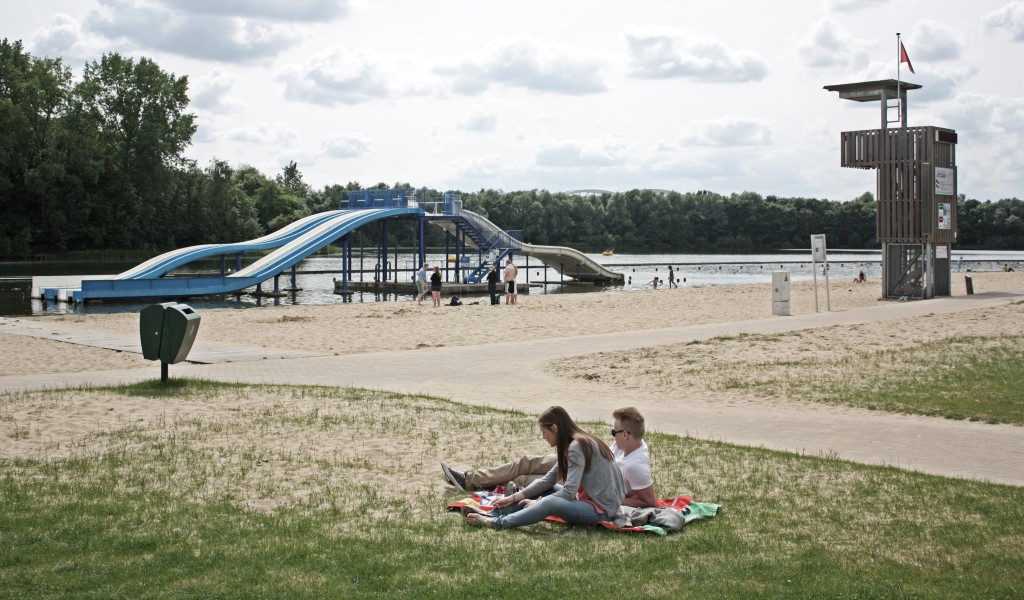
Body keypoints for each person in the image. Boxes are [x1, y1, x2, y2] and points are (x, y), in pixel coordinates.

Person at [442, 406, 656, 508]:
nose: (612, 435)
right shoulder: (625, 445)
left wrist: (603, 497)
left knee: (525, 480)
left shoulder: (637, 465)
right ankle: (469, 479)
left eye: (614, 432)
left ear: (626, 435)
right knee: (526, 463)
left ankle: (503, 492)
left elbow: (650, 502)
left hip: (584, 478)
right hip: (582, 459)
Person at [464, 406, 625, 529]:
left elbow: (569, 492)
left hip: (600, 510)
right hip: (590, 500)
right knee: (547, 489)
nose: (543, 437)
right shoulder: (576, 442)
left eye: (544, 432)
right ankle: (493, 513)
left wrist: (538, 503)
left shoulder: (576, 446)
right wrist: (513, 498)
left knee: (549, 503)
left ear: (554, 428)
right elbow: (548, 480)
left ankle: (496, 522)